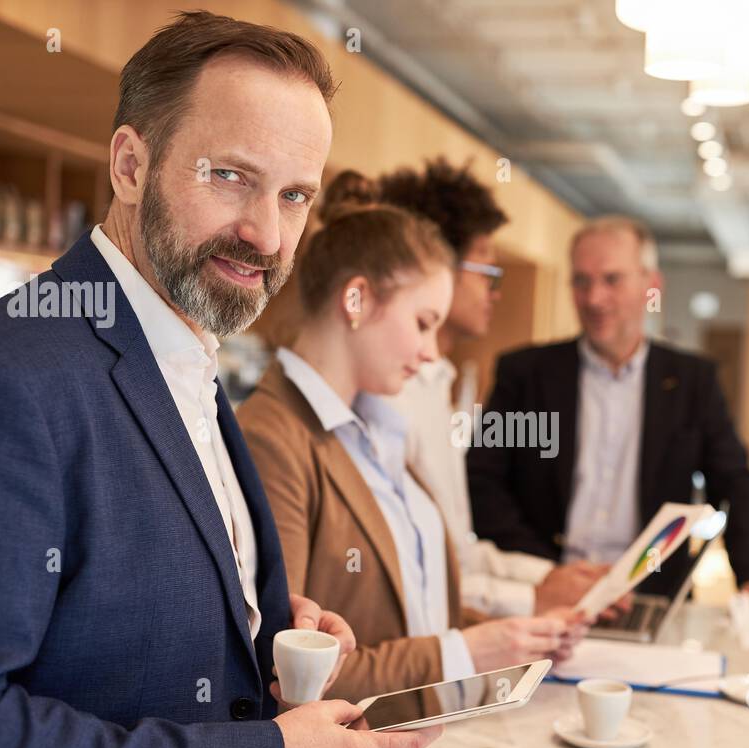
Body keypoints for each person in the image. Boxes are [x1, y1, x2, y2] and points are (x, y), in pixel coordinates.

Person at [0, 12, 438, 748]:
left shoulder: (186, 361)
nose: (267, 236)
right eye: (230, 177)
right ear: (131, 164)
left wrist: (249, 622)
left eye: (293, 195)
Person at [238, 172, 583, 720]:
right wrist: (468, 649)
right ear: (356, 299)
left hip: (420, 746)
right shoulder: (274, 436)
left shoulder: (375, 429)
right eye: (422, 324)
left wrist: (512, 636)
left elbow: (414, 615)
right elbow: (291, 671)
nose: (429, 353)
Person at [468, 216, 749, 623]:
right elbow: (484, 483)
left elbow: (734, 481)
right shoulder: (526, 376)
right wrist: (549, 574)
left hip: (650, 600)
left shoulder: (692, 382)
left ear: (652, 286)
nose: (594, 298)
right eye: (581, 281)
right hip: (540, 595)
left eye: (612, 280)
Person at [378, 157, 608, 618]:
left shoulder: (436, 380)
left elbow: (457, 553)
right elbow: (408, 574)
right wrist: (534, 596)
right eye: (489, 272)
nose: (496, 292)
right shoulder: (392, 392)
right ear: (438, 266)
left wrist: (550, 578)